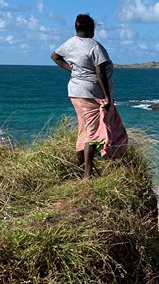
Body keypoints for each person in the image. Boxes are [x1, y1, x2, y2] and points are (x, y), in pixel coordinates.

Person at [51, 13, 127, 179]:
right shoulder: (95, 47)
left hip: (75, 92)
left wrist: (74, 70)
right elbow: (100, 72)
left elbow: (55, 56)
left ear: (76, 27)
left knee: (85, 128)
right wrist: (107, 97)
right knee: (92, 133)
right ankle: (87, 175)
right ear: (91, 29)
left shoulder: (69, 43)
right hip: (91, 93)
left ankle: (81, 166)